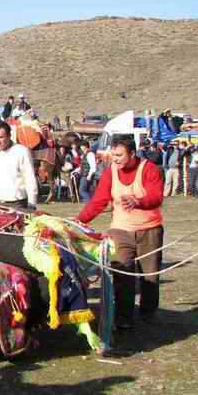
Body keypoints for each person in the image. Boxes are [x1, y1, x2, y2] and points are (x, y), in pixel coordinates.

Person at [76, 137, 164, 331]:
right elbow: (99, 200)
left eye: (119, 155)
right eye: (112, 155)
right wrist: (80, 219)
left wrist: (138, 201)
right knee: (121, 273)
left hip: (149, 229)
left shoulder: (149, 169)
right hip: (120, 230)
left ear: (132, 154)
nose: (114, 159)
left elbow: (156, 196)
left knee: (150, 276)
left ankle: (148, 313)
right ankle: (124, 317)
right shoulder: (110, 173)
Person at [0, 121, 38, 209]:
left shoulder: (21, 151)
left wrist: (32, 203)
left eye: (0, 137)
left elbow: (29, 178)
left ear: (9, 136)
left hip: (16, 204)